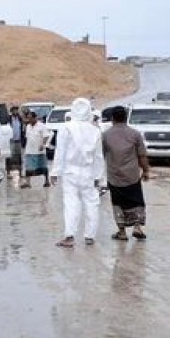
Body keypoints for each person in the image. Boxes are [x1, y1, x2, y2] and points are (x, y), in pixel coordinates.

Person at [51, 98, 106, 248]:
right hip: (88, 172)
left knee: (71, 203)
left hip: (70, 171)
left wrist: (55, 172)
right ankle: (90, 236)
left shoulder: (66, 127)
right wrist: (99, 178)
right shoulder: (95, 130)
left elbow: (60, 151)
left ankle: (69, 236)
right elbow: (98, 157)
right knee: (92, 203)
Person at [102, 106, 150, 241]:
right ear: (126, 117)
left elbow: (100, 156)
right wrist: (145, 170)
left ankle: (122, 232)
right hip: (132, 176)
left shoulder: (105, 135)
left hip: (114, 177)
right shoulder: (135, 134)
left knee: (118, 203)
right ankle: (137, 227)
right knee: (136, 201)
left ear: (112, 119)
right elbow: (142, 155)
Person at [21, 112, 51, 188]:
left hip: (39, 150)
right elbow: (27, 137)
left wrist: (43, 144)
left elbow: (46, 136)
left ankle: (46, 181)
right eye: (28, 118)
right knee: (28, 167)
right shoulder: (28, 126)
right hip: (29, 150)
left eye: (31, 118)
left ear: (35, 118)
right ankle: (28, 182)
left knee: (43, 167)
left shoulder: (42, 126)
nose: (29, 120)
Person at [8, 106, 25, 178]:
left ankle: (20, 172)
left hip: (18, 140)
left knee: (19, 156)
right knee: (10, 156)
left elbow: (22, 129)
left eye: (16, 110)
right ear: (11, 112)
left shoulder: (20, 119)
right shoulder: (8, 119)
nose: (15, 112)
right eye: (14, 111)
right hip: (10, 140)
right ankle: (8, 172)